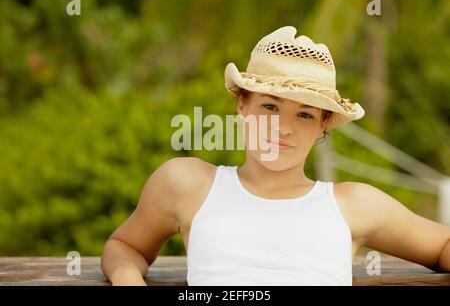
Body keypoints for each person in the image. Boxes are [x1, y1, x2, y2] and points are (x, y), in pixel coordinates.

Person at [101, 26, 450, 286]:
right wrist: (128, 280)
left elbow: (441, 246)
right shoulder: (186, 184)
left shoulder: (353, 205)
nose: (283, 129)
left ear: (323, 125)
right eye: (270, 106)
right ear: (242, 104)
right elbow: (124, 246)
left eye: (304, 114)